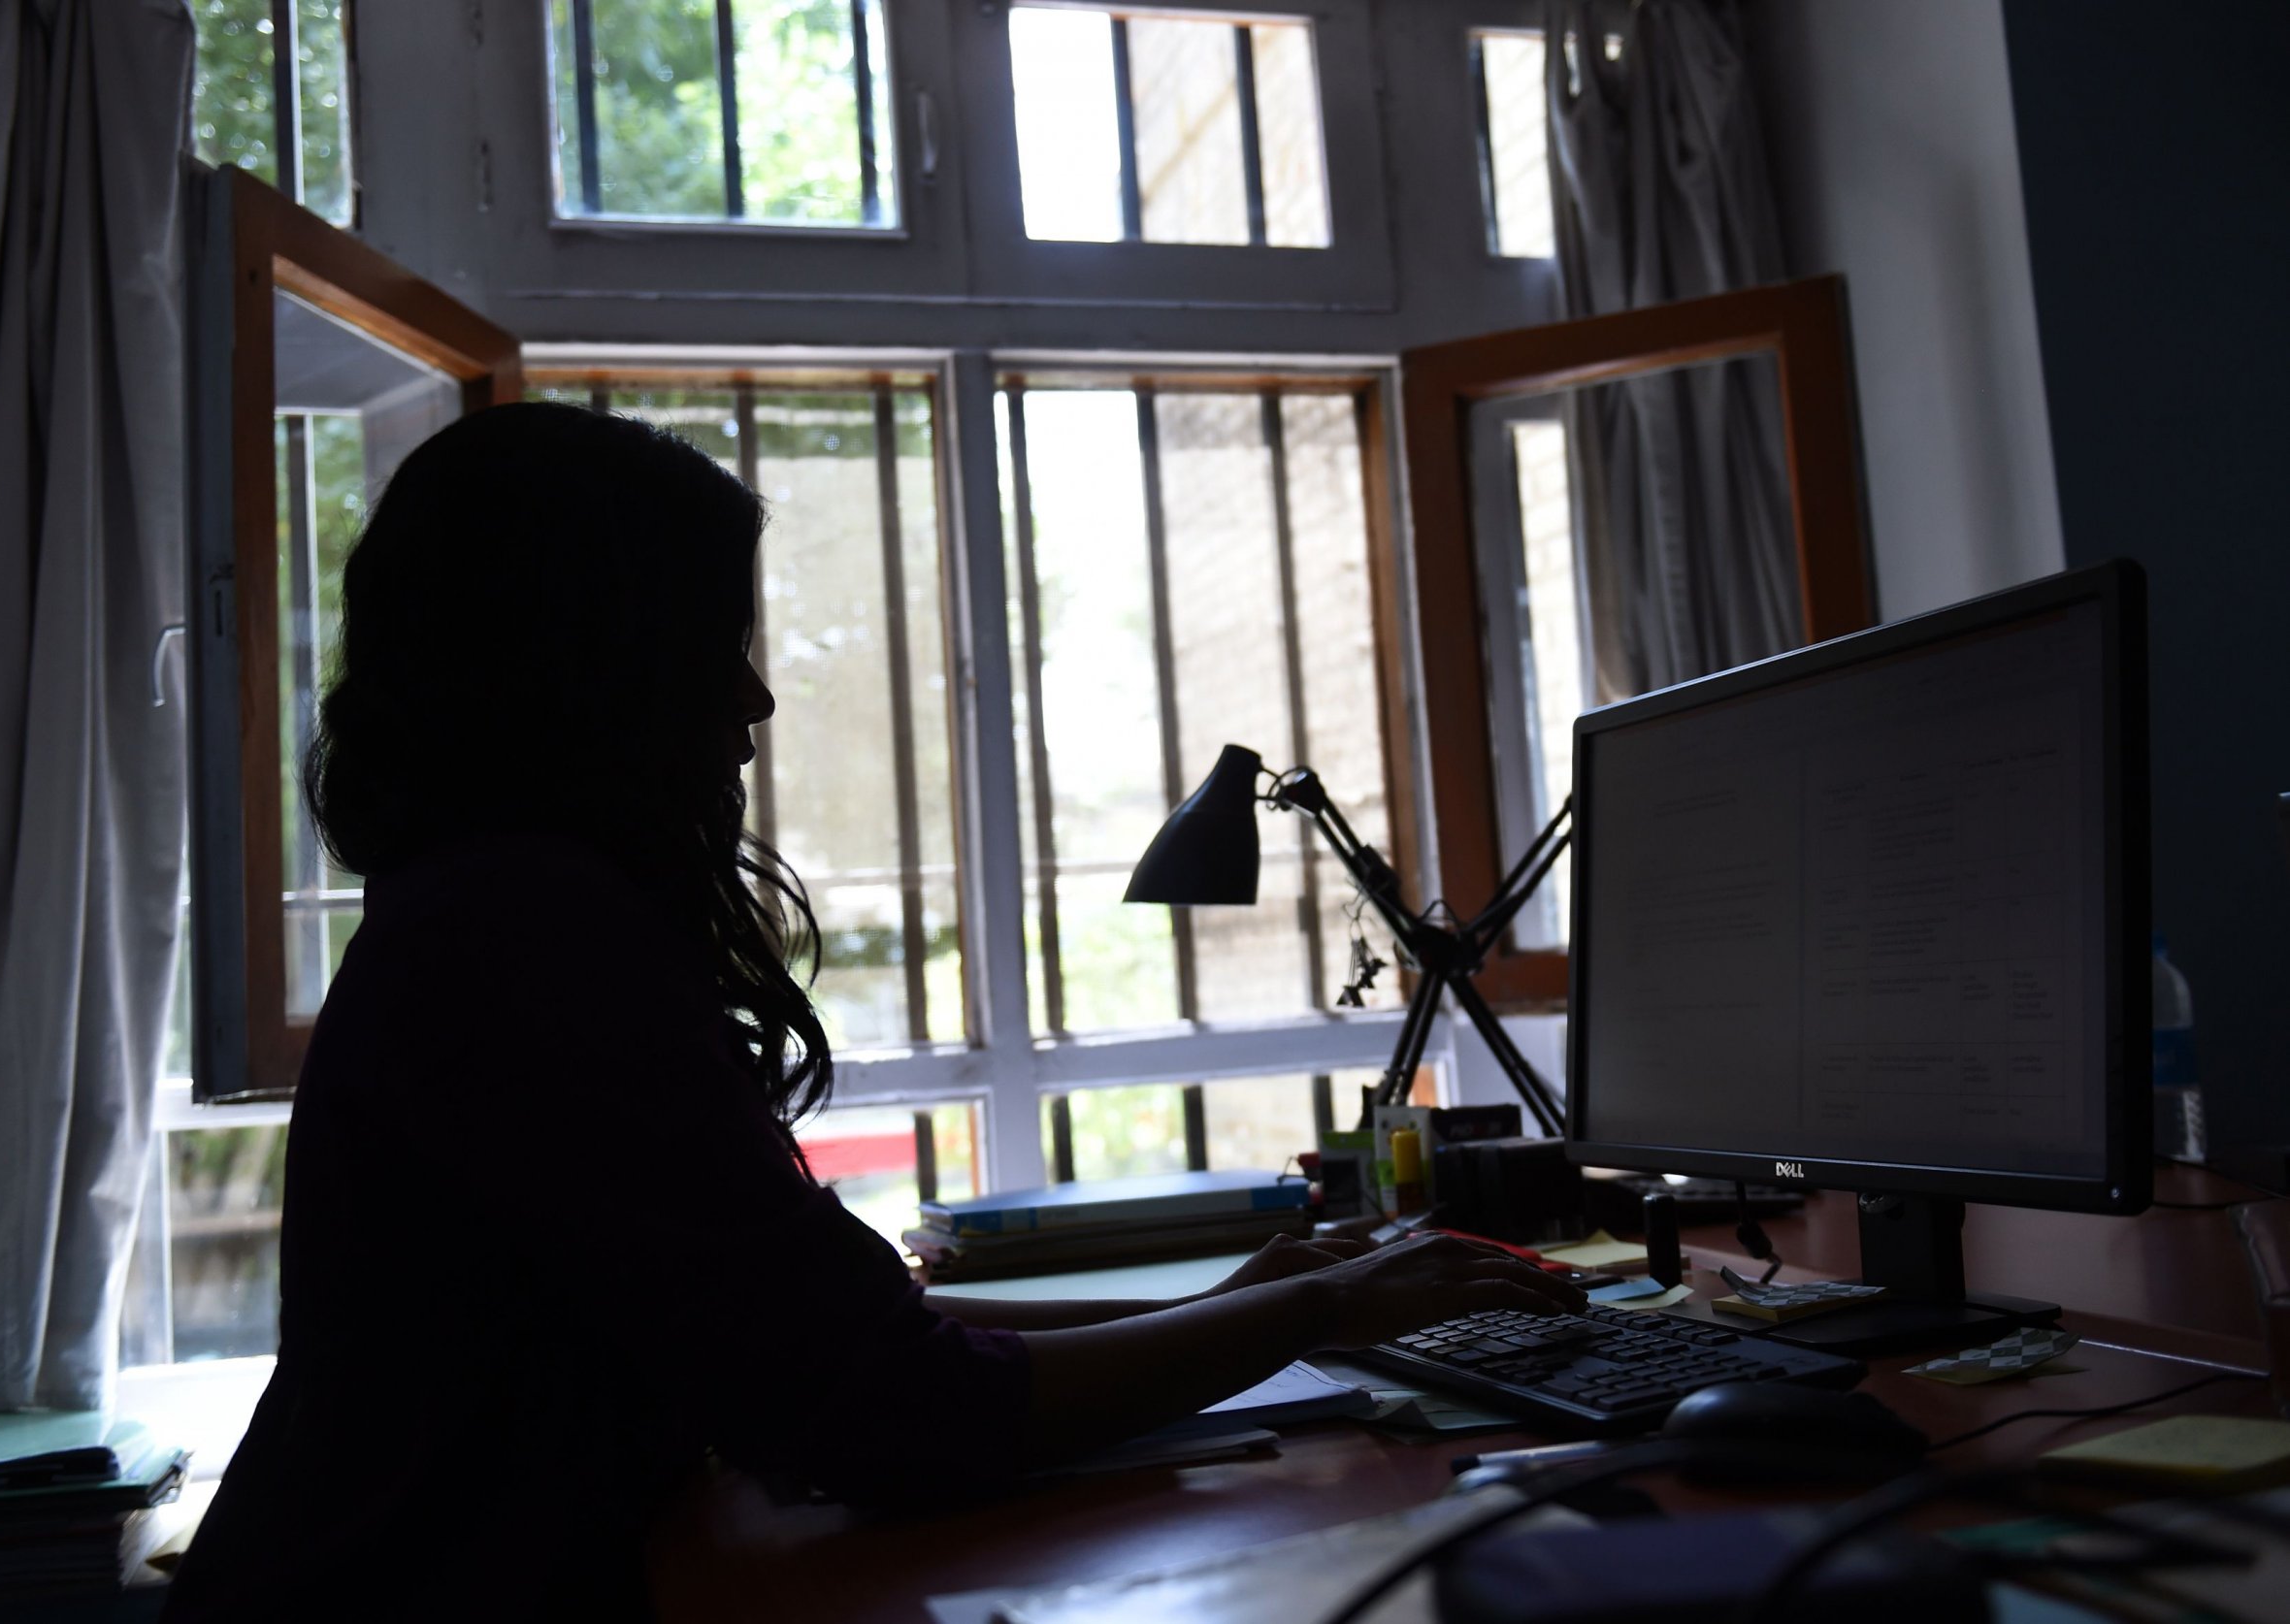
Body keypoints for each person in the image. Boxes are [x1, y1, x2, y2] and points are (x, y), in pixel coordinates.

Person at [160, 402, 1581, 1621]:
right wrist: (1323, 1303)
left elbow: (825, 1332)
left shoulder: (483, 907)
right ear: (590, 669)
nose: (758, 696)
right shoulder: (528, 942)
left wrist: (1238, 1302)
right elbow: (895, 1411)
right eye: (711, 642)